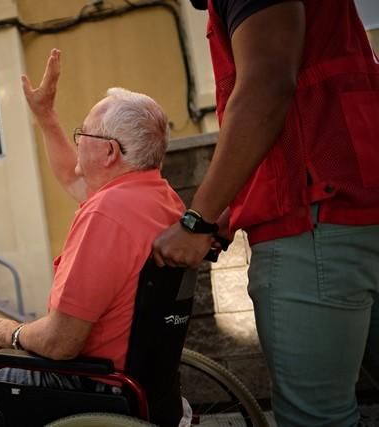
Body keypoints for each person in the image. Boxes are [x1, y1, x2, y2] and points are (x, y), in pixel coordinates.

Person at [0, 49, 186, 427]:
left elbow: (60, 343)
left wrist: (12, 333)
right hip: (146, 382)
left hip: (91, 384)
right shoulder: (160, 200)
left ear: (110, 152)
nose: (78, 141)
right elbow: (73, 176)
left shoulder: (106, 213)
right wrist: (46, 115)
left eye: (83, 133)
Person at [152, 1, 379, 426]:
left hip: (313, 215)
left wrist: (197, 218)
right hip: (359, 197)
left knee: (318, 419)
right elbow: (305, 107)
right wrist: (234, 206)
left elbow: (267, 86)